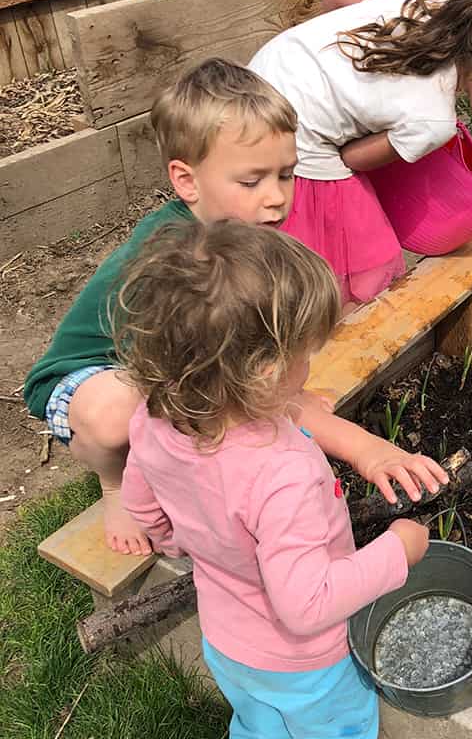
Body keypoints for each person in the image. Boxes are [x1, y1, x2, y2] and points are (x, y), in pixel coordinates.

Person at [117, 219, 446, 739]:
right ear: (263, 373)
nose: (310, 368)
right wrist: (397, 552)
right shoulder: (281, 474)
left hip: (227, 640)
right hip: (307, 662)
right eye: (305, 354)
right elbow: (306, 603)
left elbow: (147, 510)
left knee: (257, 727)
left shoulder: (155, 419)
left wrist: (175, 540)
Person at [23, 58, 305, 556]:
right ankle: (117, 485)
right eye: (251, 181)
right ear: (187, 180)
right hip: (92, 378)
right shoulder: (168, 257)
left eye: (286, 175)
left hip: (155, 364)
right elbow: (171, 375)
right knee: (122, 414)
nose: (276, 198)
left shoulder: (238, 231)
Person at [249, 0, 472, 305]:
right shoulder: (434, 121)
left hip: (260, 74)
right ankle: (320, 320)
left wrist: (338, 67)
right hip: (295, 132)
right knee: (366, 260)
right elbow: (352, 159)